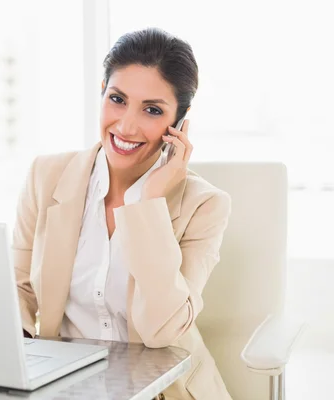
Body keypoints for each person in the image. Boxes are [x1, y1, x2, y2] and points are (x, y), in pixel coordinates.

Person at [13, 27, 232, 399]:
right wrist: (16, 358)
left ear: (179, 122)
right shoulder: (45, 175)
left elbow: (162, 330)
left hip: (164, 391)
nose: (126, 126)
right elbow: (18, 288)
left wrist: (148, 204)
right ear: (102, 92)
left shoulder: (205, 204)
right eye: (117, 99)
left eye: (152, 110)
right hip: (65, 387)